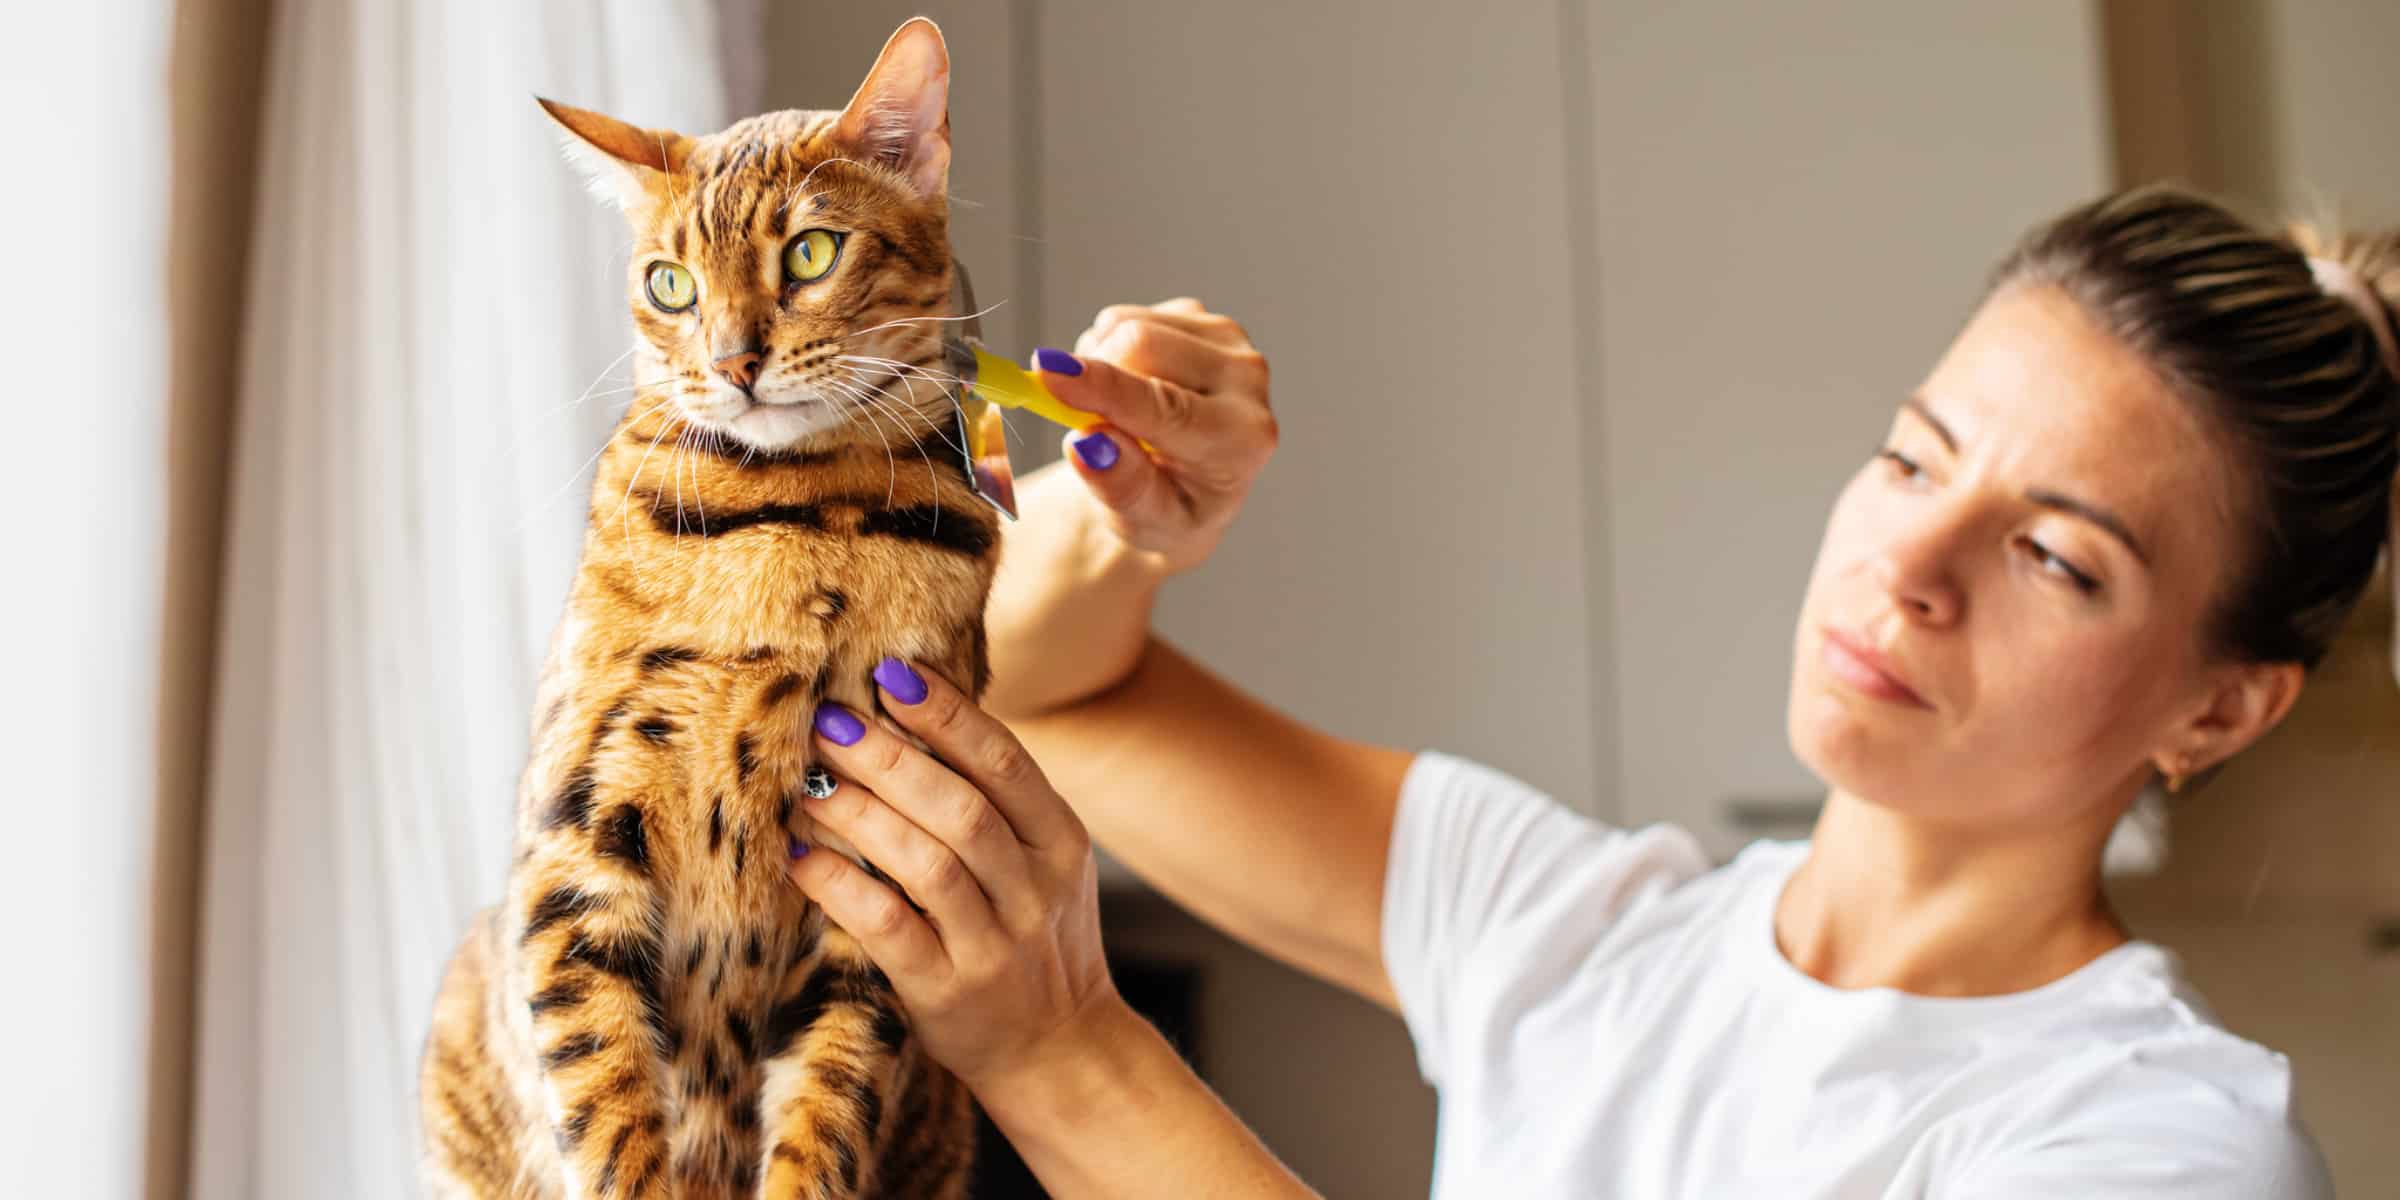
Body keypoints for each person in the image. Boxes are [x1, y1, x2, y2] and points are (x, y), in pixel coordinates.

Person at [782, 187, 2395, 1197]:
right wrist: (1131, 517)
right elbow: (1063, 700)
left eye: (2057, 558)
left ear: (2221, 711)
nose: (1916, 564)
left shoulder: (2161, 1154)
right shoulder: (1584, 934)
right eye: (1915, 458)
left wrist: (1063, 1055)